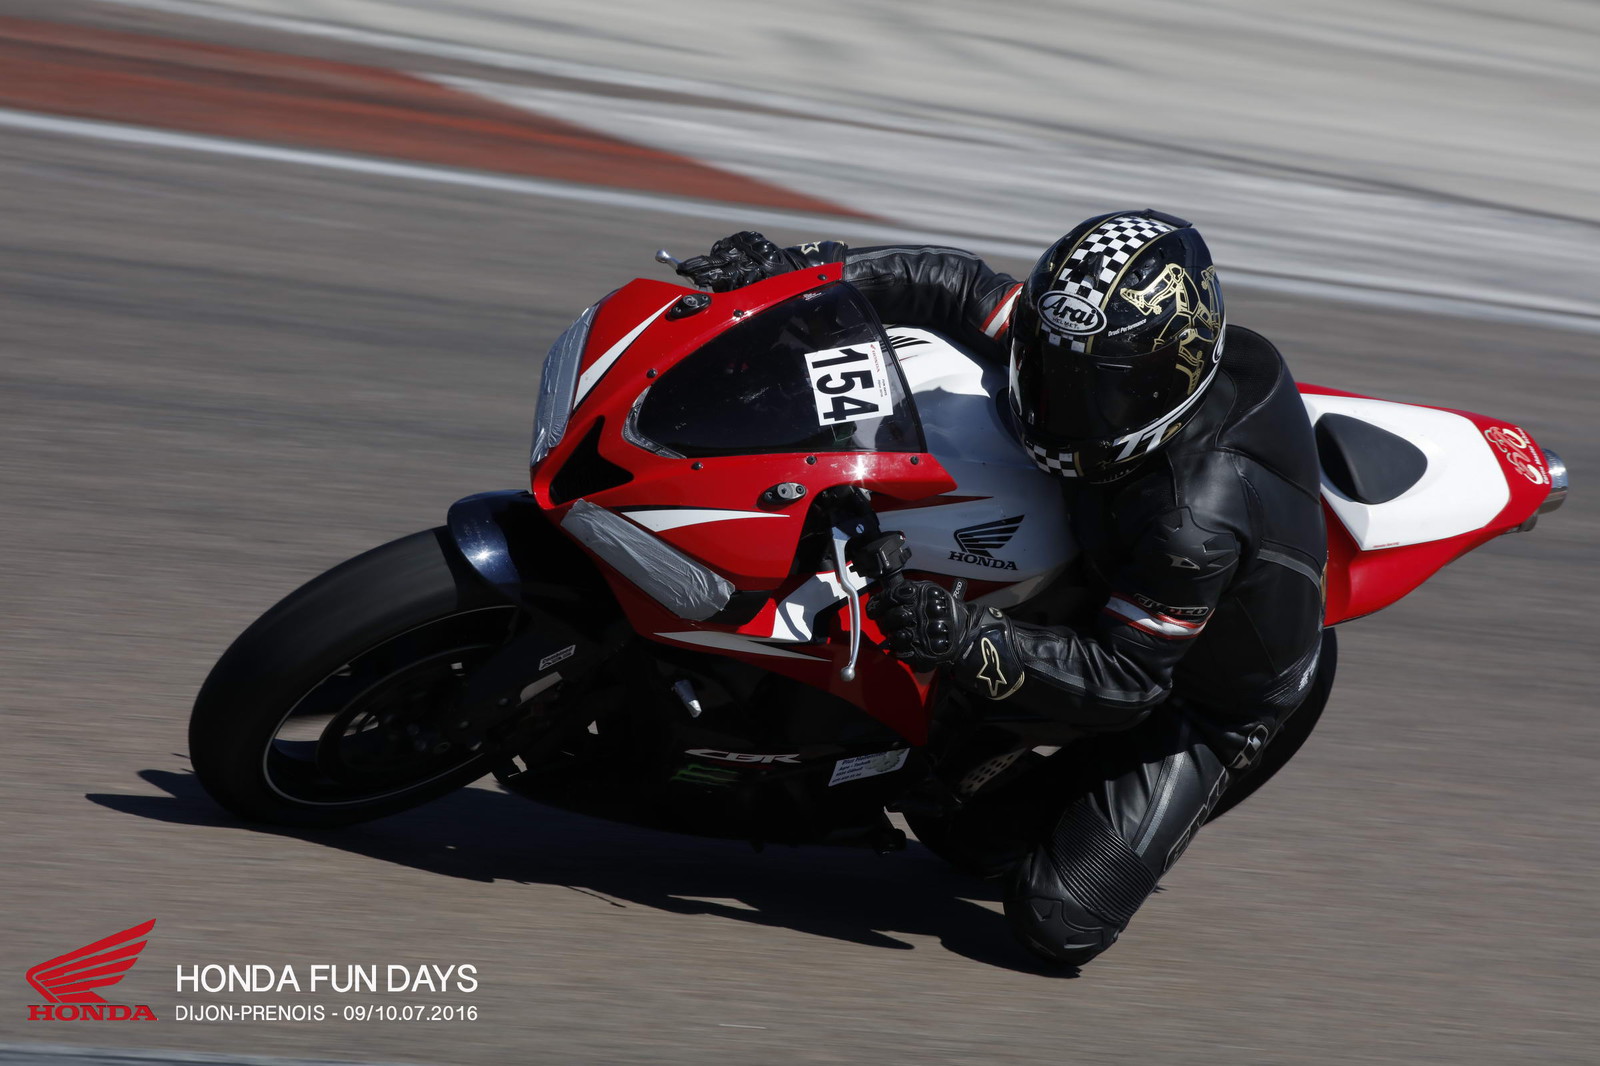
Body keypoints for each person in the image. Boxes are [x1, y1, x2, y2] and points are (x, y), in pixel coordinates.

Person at [675, 213, 1330, 967]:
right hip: (1099, 573)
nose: (1061, 401)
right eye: (1050, 368)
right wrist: (801, 272)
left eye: (1098, 393)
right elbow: (956, 286)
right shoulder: (1103, 341)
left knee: (1041, 909)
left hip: (1195, 696)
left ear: (1167, 383)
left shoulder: (1192, 522)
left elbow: (1127, 681)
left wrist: (966, 637)